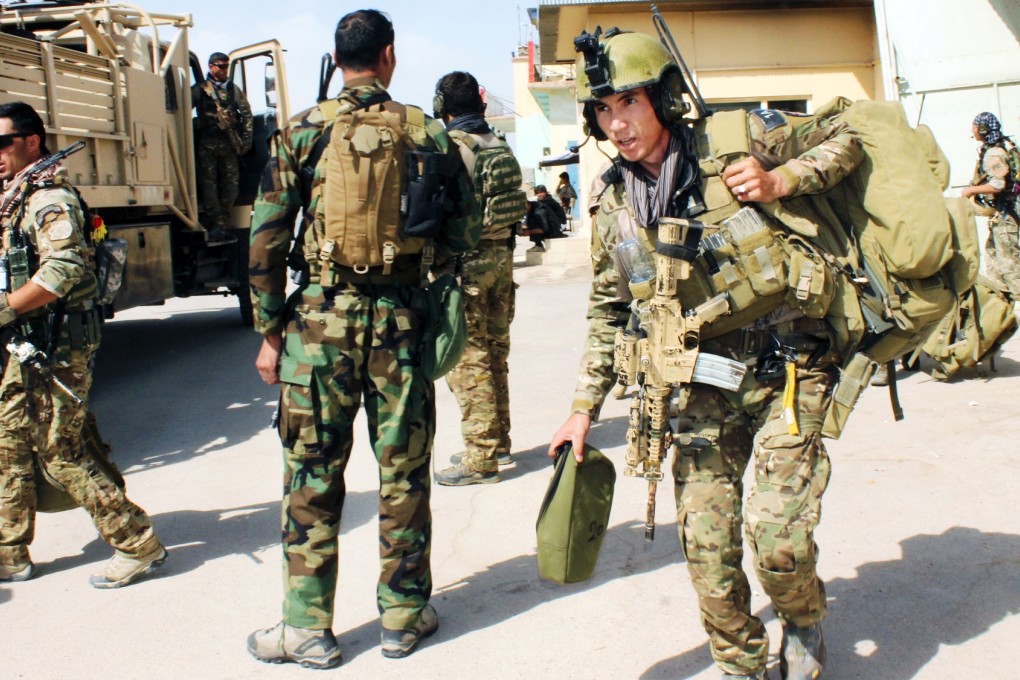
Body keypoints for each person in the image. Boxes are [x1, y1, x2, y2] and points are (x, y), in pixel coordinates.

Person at [549, 29, 865, 680]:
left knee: (778, 537)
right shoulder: (614, 206)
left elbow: (847, 141)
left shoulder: (735, 140)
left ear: (664, 96)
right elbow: (610, 309)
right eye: (603, 111)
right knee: (708, 546)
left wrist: (781, 180)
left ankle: (803, 619)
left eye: (628, 102)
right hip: (699, 383)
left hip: (787, 367)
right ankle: (742, 663)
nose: (617, 123)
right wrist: (583, 407)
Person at [246, 10, 479, 669]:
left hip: (319, 326)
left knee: (311, 473)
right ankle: (403, 617)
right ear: (388, 56)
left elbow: (264, 239)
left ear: (338, 58)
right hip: (400, 322)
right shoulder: (424, 129)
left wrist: (270, 331)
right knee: (404, 471)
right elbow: (463, 233)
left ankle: (305, 630)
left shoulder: (302, 131)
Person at [0, 101, 167, 588]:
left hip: (57, 344)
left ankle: (138, 544)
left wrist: (8, 307)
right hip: (22, 342)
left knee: (59, 449)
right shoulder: (14, 197)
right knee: (9, 441)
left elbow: (64, 269)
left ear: (32, 142)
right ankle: (9, 550)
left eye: (3, 142)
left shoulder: (49, 199)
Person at [431, 71, 526, 486]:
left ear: (443, 108)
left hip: (466, 266)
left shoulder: (453, 149)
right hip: (501, 261)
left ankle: (481, 459)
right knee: (495, 356)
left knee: (470, 364)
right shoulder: (497, 143)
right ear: (481, 105)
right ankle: (497, 442)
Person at [192, 51, 253, 242]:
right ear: (211, 67)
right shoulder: (201, 89)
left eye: (227, 66)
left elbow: (247, 115)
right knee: (209, 185)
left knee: (231, 187)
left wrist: (246, 141)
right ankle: (215, 224)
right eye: (221, 66)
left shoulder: (233, 90)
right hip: (207, 144)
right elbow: (184, 109)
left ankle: (224, 221)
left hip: (228, 144)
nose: (225, 70)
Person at [961, 112, 1020, 297]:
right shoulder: (1001, 146)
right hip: (1000, 215)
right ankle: (1002, 299)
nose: (973, 130)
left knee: (1008, 261)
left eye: (975, 126)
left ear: (983, 129)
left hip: (1006, 214)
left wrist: (971, 191)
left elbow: (998, 184)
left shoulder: (994, 153)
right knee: (993, 257)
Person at [518, 185, 567, 252]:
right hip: (552, 224)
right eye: (538, 193)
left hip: (557, 226)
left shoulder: (546, 204)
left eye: (541, 192)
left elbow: (544, 227)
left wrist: (529, 231)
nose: (539, 194)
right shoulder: (535, 204)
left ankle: (539, 246)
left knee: (534, 220)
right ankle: (537, 244)